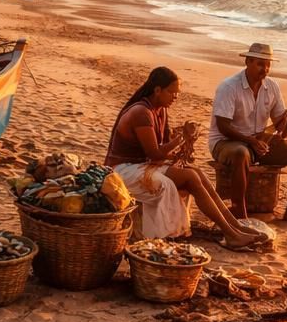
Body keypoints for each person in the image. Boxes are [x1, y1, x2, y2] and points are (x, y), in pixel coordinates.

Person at [106, 67, 264, 250]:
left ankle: (235, 227)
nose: (175, 97)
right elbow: (155, 154)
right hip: (122, 170)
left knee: (196, 172)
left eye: (177, 93)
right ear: (157, 90)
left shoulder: (160, 110)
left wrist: (183, 144)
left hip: (140, 165)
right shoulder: (141, 112)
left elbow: (163, 147)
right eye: (172, 92)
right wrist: (182, 138)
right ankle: (231, 233)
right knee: (190, 177)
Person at [207, 43, 287, 228]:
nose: (264, 69)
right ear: (247, 62)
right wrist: (250, 140)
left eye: (268, 65)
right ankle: (239, 212)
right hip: (226, 142)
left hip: (258, 140)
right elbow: (223, 126)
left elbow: (283, 132)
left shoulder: (272, 86)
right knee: (241, 153)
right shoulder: (229, 87)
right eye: (259, 64)